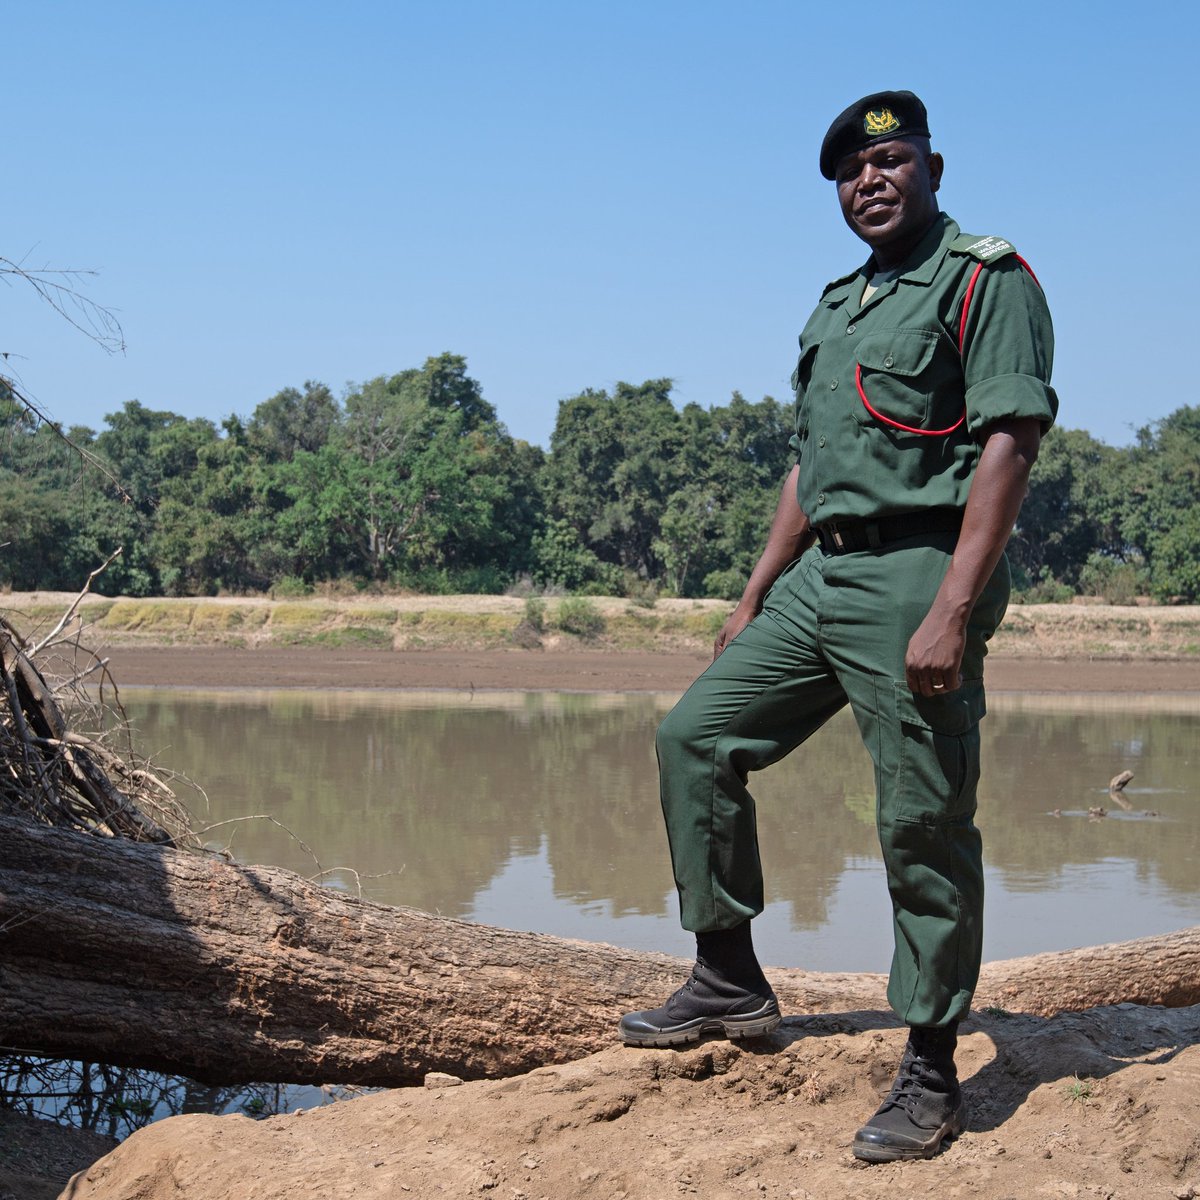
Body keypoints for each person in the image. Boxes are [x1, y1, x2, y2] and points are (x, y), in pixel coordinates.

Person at [618, 90, 1057, 1163]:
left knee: (922, 819)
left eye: (892, 160)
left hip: (921, 567)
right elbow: (812, 466)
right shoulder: (839, 304)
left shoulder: (983, 279)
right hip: (823, 574)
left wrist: (955, 603)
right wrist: (758, 590)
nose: (871, 180)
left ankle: (930, 1067)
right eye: (853, 173)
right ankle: (728, 980)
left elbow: (1009, 441)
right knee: (696, 738)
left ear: (931, 169)